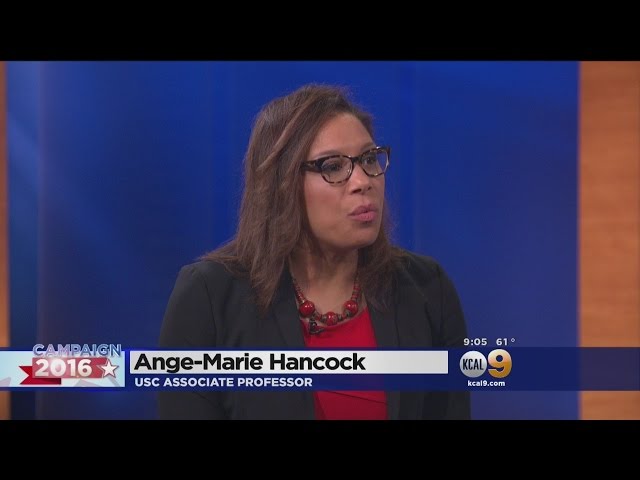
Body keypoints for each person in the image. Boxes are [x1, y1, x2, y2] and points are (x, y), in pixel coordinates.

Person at [158, 84, 470, 420]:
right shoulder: (209, 296)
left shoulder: (426, 289)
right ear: (282, 184)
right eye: (333, 166)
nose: (363, 181)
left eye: (369, 159)